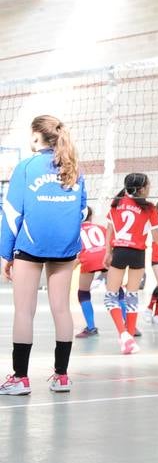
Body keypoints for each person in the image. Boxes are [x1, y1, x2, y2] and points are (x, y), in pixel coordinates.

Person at [0, 115, 85, 395]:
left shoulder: (26, 167)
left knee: (24, 311)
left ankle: (20, 379)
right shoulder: (73, 169)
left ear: (36, 137)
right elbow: (82, 211)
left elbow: (12, 213)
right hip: (65, 247)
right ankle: (61, 377)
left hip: (31, 245)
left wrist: (5, 254)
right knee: (62, 308)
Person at [104, 173, 158, 355]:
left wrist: (108, 252)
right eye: (148, 185)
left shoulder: (116, 203)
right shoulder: (149, 208)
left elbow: (109, 229)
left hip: (120, 252)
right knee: (132, 296)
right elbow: (157, 238)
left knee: (110, 297)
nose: (150, 187)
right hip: (138, 253)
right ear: (141, 189)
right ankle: (129, 336)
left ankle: (124, 335)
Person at [75, 207, 110, 338]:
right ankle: (129, 326)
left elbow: (75, 251)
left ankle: (91, 327)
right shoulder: (101, 227)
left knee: (83, 292)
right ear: (91, 216)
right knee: (116, 291)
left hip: (89, 258)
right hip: (105, 257)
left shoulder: (75, 231)